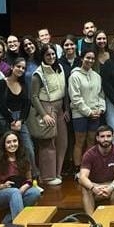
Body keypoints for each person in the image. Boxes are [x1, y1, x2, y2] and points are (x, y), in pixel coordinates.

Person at [0, 131, 42, 227]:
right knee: (14, 192)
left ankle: (6, 223)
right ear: (4, 145)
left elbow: (29, 180)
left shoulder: (24, 158)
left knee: (35, 192)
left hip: (17, 192)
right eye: (8, 142)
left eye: (15, 141)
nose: (12, 144)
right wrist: (2, 186)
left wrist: (24, 188)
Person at [31, 44, 69, 186]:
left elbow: (64, 90)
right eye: (48, 55)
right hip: (47, 107)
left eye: (53, 54)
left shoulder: (60, 69)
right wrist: (44, 115)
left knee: (62, 142)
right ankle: (48, 177)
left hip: (60, 108)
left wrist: (66, 109)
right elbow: (34, 97)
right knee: (48, 142)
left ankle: (57, 173)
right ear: (43, 56)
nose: (51, 57)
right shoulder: (38, 74)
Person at [0, 57, 37, 179]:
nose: (21, 69)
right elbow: (1, 104)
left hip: (21, 119)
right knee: (8, 150)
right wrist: (11, 121)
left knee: (29, 149)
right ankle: (9, 177)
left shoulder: (23, 83)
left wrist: (21, 121)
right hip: (7, 119)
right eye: (18, 66)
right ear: (12, 67)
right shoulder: (2, 83)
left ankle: (33, 177)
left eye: (23, 68)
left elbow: (27, 104)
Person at [68, 50, 105, 177]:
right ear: (82, 58)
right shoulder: (74, 76)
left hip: (95, 113)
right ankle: (77, 169)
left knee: (91, 140)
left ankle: (88, 167)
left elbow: (100, 95)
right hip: (80, 114)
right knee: (80, 141)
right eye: (87, 57)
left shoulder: (96, 76)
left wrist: (100, 109)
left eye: (92, 58)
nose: (90, 60)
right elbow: (75, 98)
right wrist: (88, 112)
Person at [77, 124, 114, 215]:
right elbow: (83, 176)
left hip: (111, 184)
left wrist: (111, 187)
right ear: (97, 138)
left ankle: (113, 218)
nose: (105, 139)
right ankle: (92, 223)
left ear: (112, 137)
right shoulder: (89, 154)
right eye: (102, 136)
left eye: (108, 136)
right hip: (95, 185)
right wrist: (93, 187)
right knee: (84, 186)